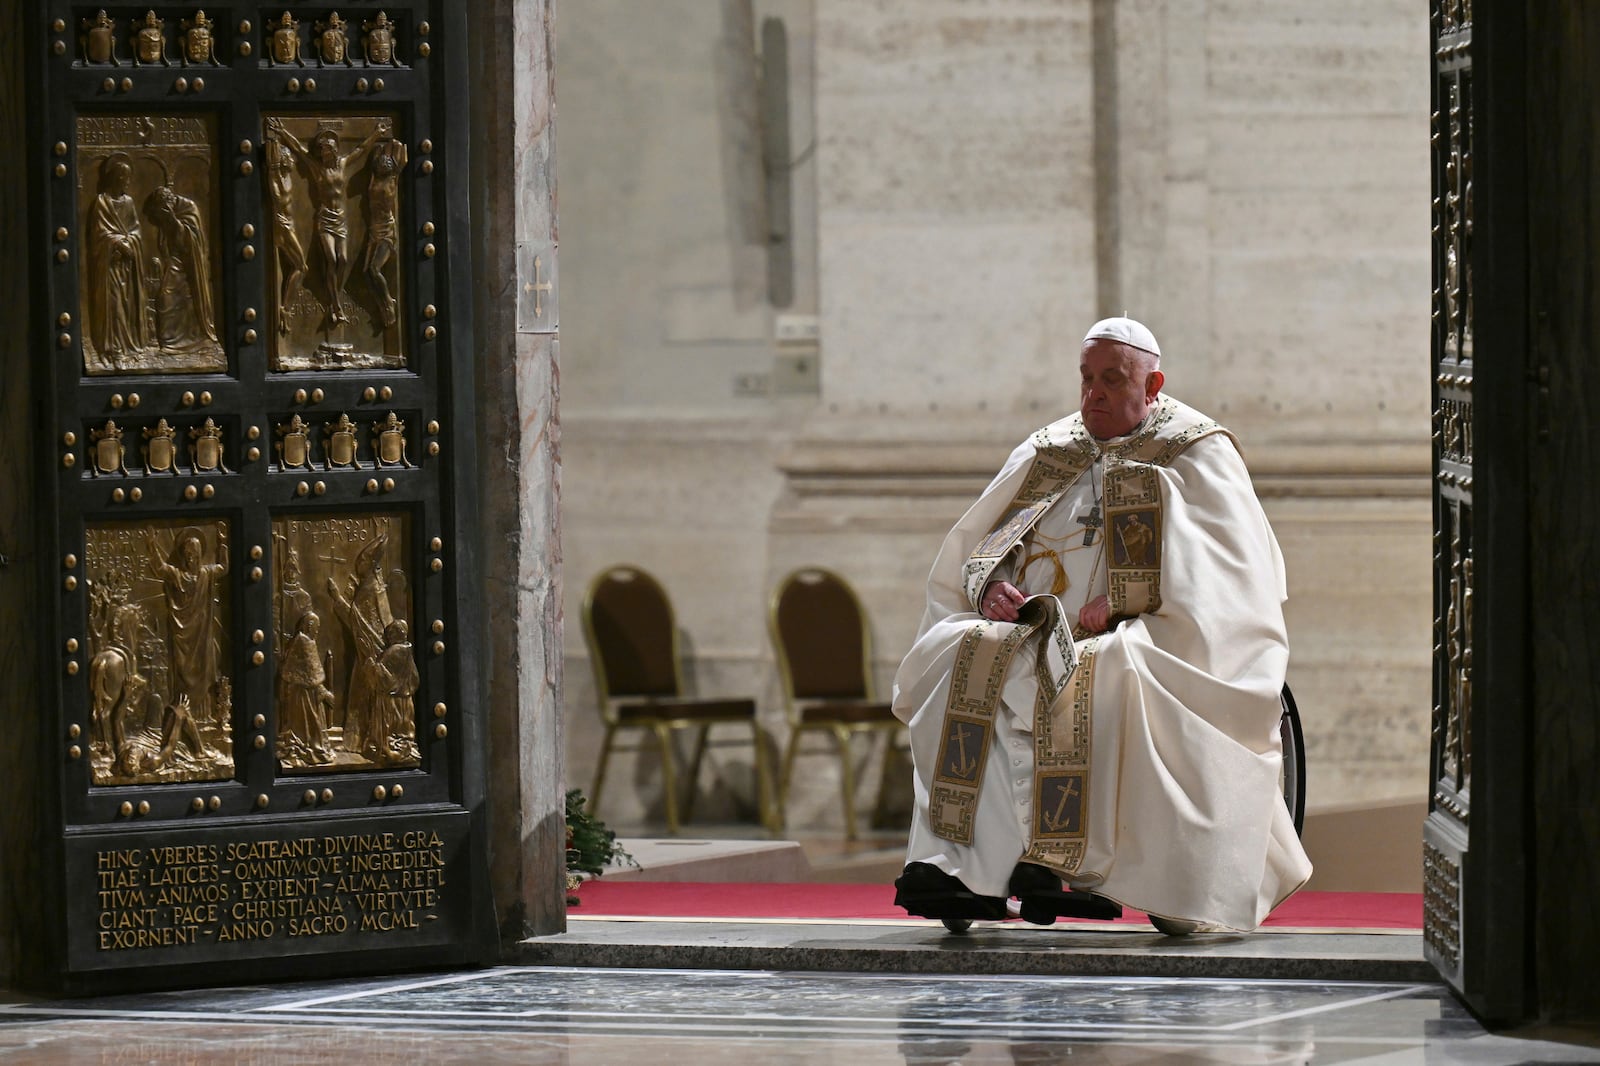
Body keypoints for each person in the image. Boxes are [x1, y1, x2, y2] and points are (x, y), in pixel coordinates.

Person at [892, 316, 1311, 934]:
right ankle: (961, 869)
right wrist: (992, 589)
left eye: (1111, 381)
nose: (1092, 395)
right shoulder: (1052, 448)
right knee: (960, 649)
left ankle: (1061, 863)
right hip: (1029, 629)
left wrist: (1127, 600)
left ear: (1153, 384)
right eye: (1086, 379)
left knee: (1101, 669)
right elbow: (981, 546)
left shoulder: (1196, 449)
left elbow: (1232, 576)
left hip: (1148, 635)